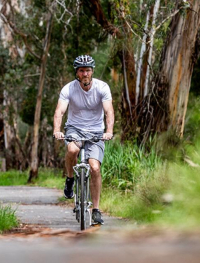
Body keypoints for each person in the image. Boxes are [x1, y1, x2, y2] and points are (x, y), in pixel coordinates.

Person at [52, 55, 114, 225]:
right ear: (77, 73)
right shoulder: (69, 89)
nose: (85, 73)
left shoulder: (102, 87)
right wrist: (57, 130)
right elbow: (60, 112)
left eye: (88, 70)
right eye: (81, 70)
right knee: (72, 150)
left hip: (96, 131)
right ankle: (70, 179)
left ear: (92, 71)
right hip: (75, 129)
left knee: (94, 167)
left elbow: (109, 111)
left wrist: (109, 131)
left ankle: (96, 210)